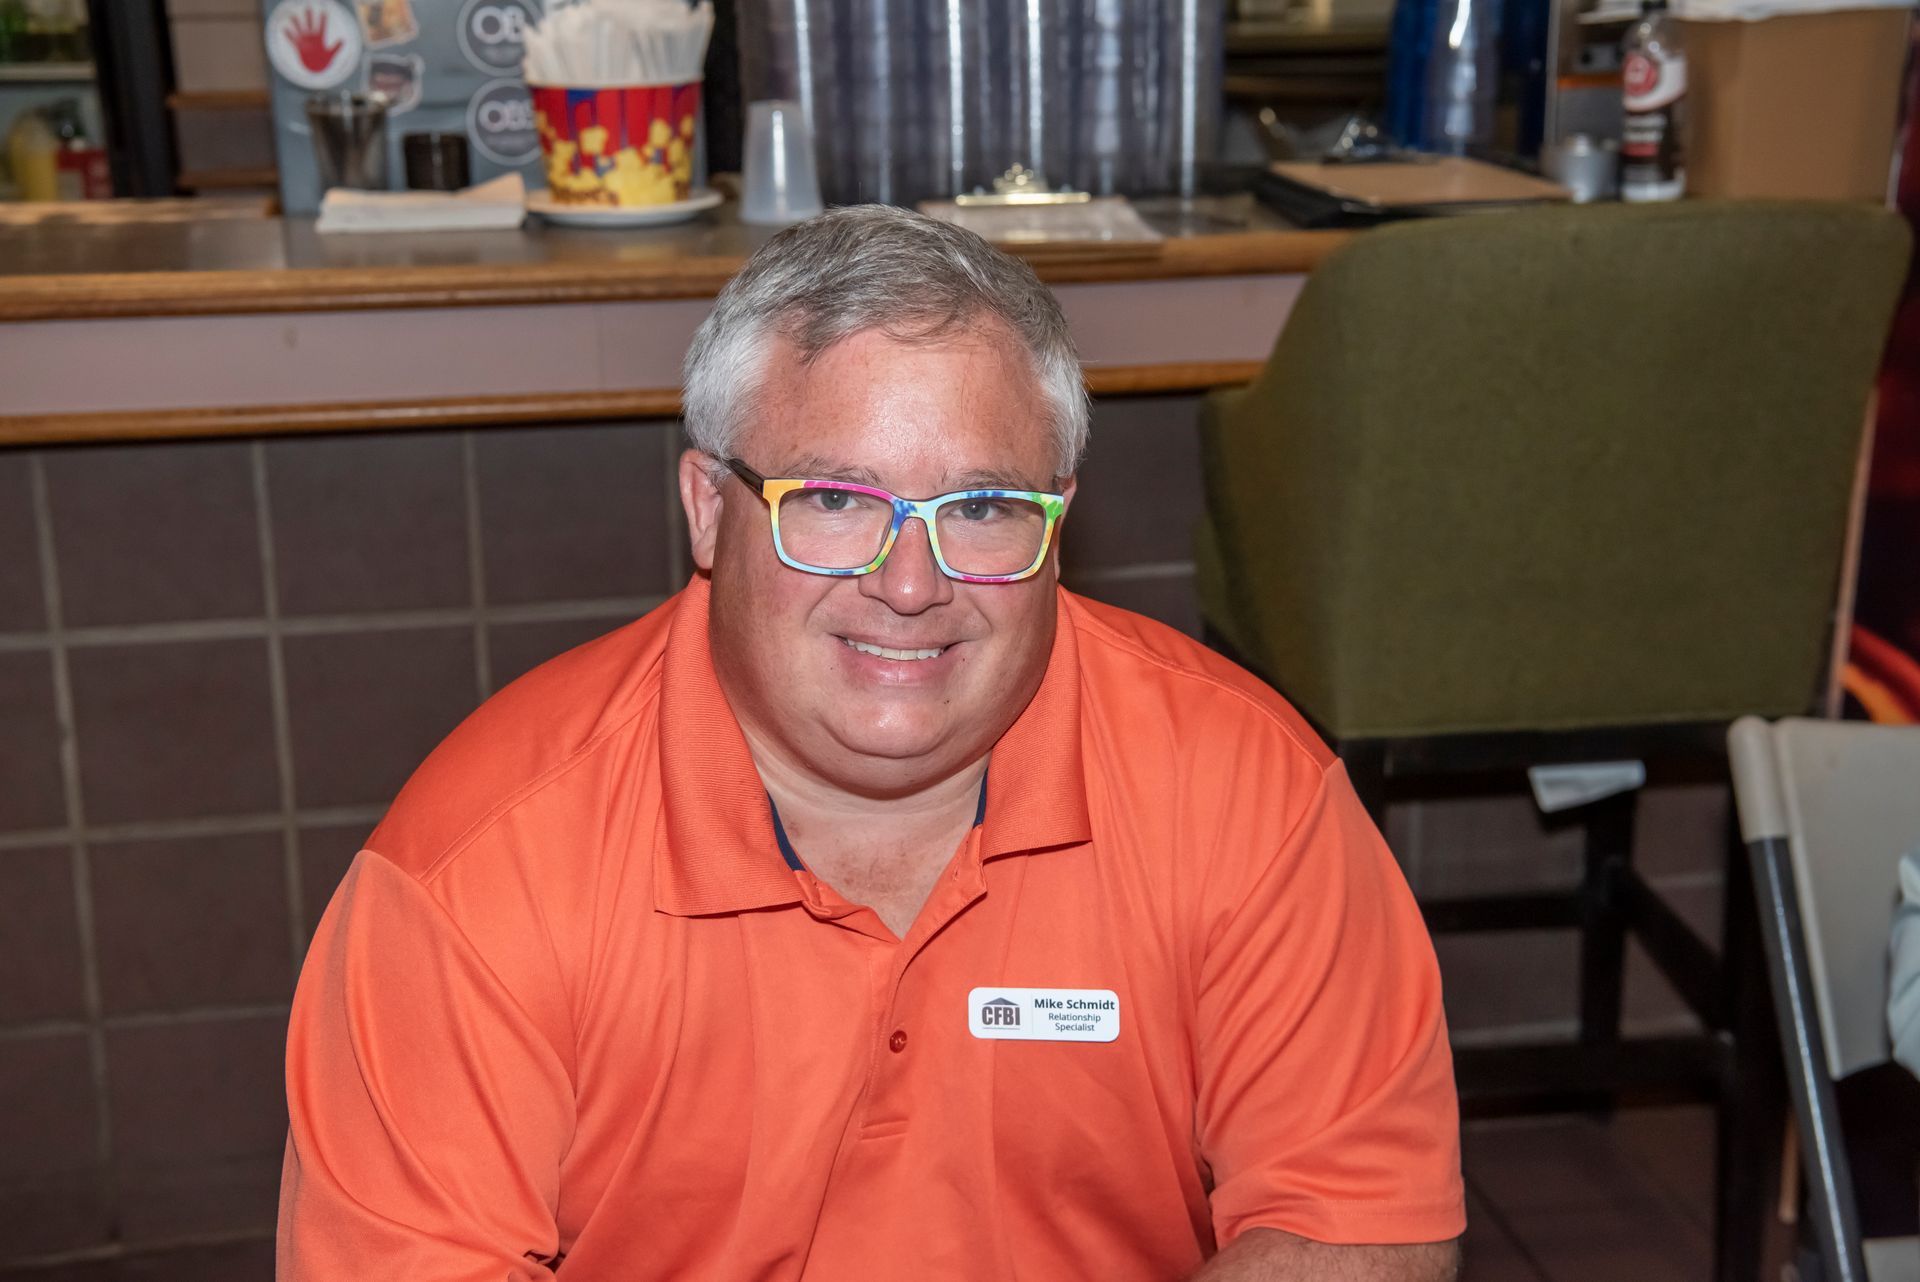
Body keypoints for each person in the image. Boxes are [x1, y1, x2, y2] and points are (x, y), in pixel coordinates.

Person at [278, 205, 1465, 1280]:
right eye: (835, 502)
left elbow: (1362, 1222)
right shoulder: (476, 872)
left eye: (982, 508)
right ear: (708, 509)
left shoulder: (1248, 790)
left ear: (1057, 523)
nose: (909, 584)